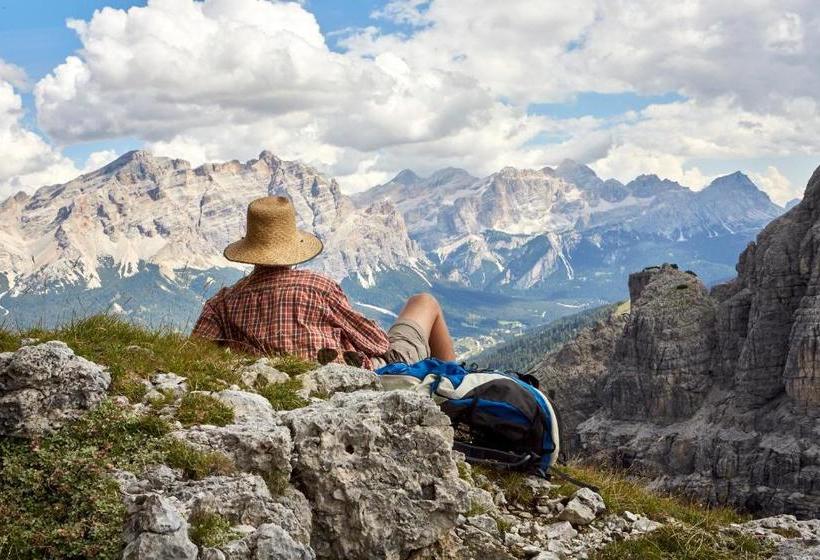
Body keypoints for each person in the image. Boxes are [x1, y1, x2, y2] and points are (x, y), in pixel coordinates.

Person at [192, 196, 456, 369]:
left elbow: (193, 355)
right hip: (359, 375)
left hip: (276, 384)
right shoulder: (318, 288)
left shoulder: (220, 303)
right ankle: (455, 388)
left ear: (250, 250)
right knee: (424, 301)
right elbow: (378, 343)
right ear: (294, 248)